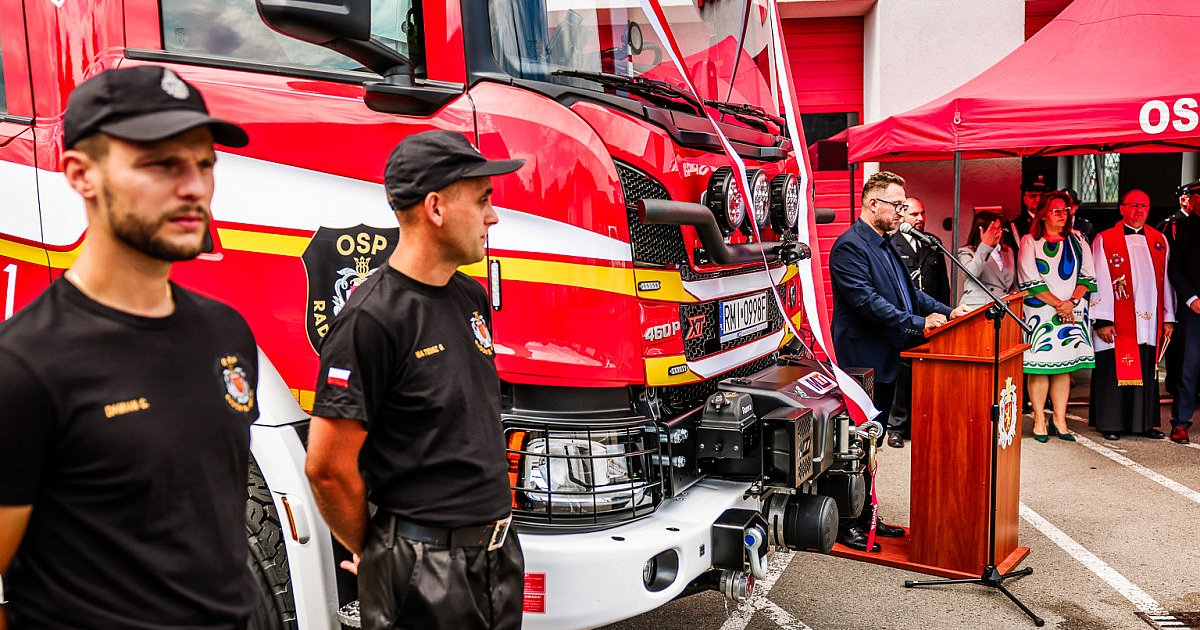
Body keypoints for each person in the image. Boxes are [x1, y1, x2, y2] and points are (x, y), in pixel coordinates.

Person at [0, 66, 258, 628]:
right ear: (81, 174)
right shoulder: (24, 367)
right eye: (162, 163)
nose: (194, 187)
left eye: (205, 163)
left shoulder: (227, 334)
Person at [305, 131, 526, 629]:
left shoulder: (468, 296)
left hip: (497, 558)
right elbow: (326, 467)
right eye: (483, 200)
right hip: (424, 573)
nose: (493, 216)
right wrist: (381, 553)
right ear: (436, 208)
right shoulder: (372, 318)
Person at [830, 171, 968, 551]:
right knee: (858, 445)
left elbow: (910, 294)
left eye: (903, 205)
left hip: (887, 357)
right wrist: (920, 324)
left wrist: (949, 312)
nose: (901, 211)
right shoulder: (849, 247)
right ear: (873, 203)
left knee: (871, 444)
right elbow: (867, 303)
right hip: (863, 360)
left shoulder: (886, 243)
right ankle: (847, 522)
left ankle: (867, 513)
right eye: (897, 205)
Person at [1088, 190, 1173, 440]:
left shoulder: (1159, 240)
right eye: (1133, 205)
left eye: (1144, 206)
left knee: (1147, 370)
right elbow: (1099, 279)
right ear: (1122, 208)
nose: (1139, 211)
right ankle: (1112, 423)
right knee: (1115, 370)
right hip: (1117, 322)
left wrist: (1169, 317)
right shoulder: (1106, 239)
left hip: (1149, 321)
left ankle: (1143, 424)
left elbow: (1166, 281)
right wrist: (1103, 319)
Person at [1018, 190, 1096, 442]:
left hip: (1071, 312)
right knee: (1040, 367)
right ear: (1043, 215)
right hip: (1041, 314)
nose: (1063, 215)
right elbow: (1030, 280)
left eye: (1066, 210)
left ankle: (1060, 419)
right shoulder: (1030, 241)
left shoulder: (1077, 239)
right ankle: (1040, 417)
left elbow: (1087, 277)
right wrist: (1059, 305)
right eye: (1057, 211)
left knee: (1065, 368)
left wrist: (1071, 303)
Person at [1166, 180, 1200, 445]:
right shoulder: (1181, 228)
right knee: (1188, 366)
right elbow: (1174, 268)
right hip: (1194, 308)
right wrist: (1191, 298)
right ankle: (1180, 422)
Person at [1157, 180, 1197, 401]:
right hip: (1183, 296)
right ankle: (1176, 392)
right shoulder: (1173, 225)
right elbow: (1170, 263)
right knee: (1183, 356)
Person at [892, 196, 952, 306]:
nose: (920, 218)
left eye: (922, 213)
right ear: (901, 217)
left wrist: (946, 311)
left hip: (933, 310)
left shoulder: (932, 242)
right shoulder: (892, 243)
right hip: (906, 310)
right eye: (914, 214)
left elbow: (942, 284)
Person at [957, 211, 1017, 311]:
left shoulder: (1007, 251)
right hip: (978, 308)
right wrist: (985, 246)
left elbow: (1013, 284)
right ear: (981, 230)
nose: (997, 233)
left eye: (999, 228)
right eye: (992, 229)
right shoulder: (966, 251)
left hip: (1003, 308)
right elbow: (971, 273)